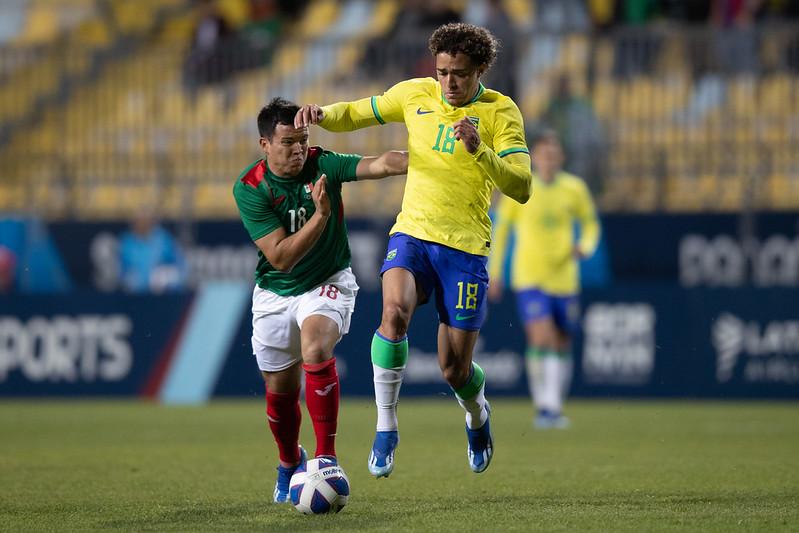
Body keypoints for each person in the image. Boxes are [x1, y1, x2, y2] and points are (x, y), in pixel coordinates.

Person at [295, 22, 532, 477]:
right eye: (443, 71)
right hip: (413, 234)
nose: (449, 82)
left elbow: (521, 187)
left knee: (453, 369)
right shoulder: (414, 94)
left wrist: (481, 151)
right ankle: (386, 427)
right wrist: (322, 113)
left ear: (480, 69)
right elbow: (360, 112)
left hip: (464, 248)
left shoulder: (502, 112)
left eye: (459, 73)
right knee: (393, 314)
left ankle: (477, 412)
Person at [232, 97, 408, 503]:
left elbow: (379, 164)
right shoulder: (250, 187)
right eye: (288, 142)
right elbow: (280, 256)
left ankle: (326, 458)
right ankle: (288, 461)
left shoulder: (322, 163)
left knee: (315, 346)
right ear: (265, 145)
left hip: (328, 281)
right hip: (276, 290)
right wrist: (321, 215)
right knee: (278, 394)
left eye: (303, 140)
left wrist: (431, 157)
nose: (298, 150)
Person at [487, 131, 600, 429]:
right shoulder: (521, 185)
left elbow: (590, 224)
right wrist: (495, 273)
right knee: (542, 336)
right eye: (543, 155)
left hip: (564, 278)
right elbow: (501, 232)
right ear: (534, 158)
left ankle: (554, 403)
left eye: (553, 154)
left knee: (562, 341)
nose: (548, 160)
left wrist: (585, 246)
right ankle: (546, 407)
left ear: (560, 157)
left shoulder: (574, 189)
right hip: (530, 276)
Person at [118, 211, 187, 294]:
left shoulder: (163, 239)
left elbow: (179, 264)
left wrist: (165, 278)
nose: (142, 224)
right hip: (134, 294)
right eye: (139, 221)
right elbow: (121, 269)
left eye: (145, 220)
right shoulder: (126, 242)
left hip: (161, 292)